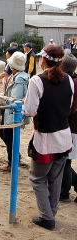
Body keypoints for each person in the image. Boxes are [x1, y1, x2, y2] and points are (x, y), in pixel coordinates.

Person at [24, 45, 73, 230]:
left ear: (43, 60)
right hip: (63, 135)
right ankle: (51, 212)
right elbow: (68, 107)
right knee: (55, 178)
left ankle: (47, 217)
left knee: (38, 178)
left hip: (45, 137)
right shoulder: (68, 79)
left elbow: (29, 110)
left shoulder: (37, 81)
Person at [0, 52, 30, 172]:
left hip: (12, 114)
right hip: (7, 112)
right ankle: (15, 157)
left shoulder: (20, 79)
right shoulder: (17, 75)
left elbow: (16, 100)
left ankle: (12, 163)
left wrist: (2, 99)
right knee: (4, 134)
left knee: (9, 137)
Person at [59, 54, 77, 203]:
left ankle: (64, 192)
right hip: (71, 126)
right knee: (65, 160)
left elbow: (70, 108)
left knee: (65, 160)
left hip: (71, 127)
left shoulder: (71, 83)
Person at [0, 47, 18, 124]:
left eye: (7, 52)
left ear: (10, 54)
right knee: (2, 99)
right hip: (7, 84)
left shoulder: (12, 63)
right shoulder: (11, 61)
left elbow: (4, 74)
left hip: (9, 85)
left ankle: (3, 118)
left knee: (5, 100)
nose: (6, 54)